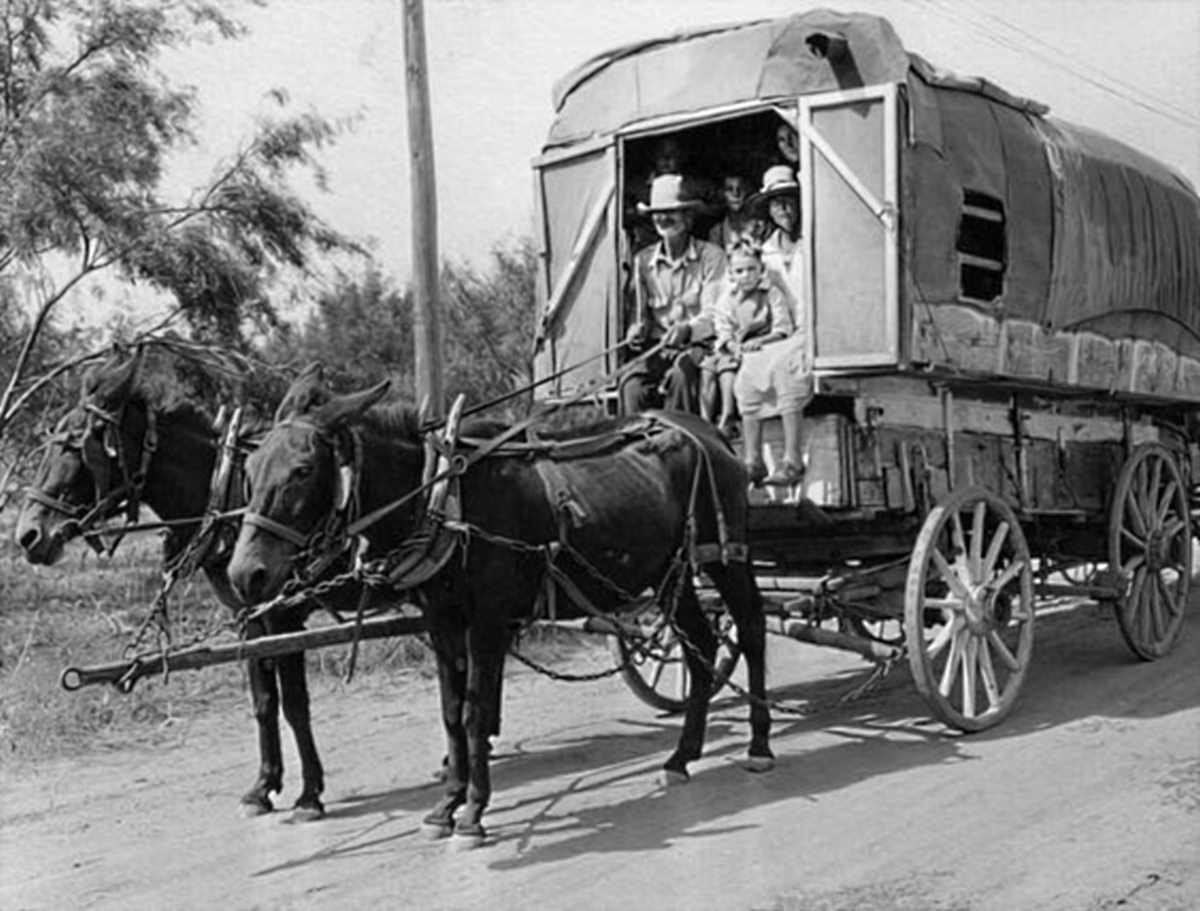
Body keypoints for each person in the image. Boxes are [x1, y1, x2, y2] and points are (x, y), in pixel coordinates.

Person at [706, 239, 810, 486]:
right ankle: (753, 459)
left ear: (761, 269)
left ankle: (792, 458)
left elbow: (782, 327)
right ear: (731, 274)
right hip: (748, 353)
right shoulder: (727, 300)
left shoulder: (771, 293)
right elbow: (723, 333)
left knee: (787, 371)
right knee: (745, 381)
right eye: (740, 271)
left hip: (775, 343)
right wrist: (734, 347)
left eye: (752, 269)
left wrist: (761, 341)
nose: (746, 275)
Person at [621, 174, 726, 415]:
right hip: (657, 349)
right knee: (631, 385)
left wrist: (688, 330)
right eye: (657, 212)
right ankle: (637, 447)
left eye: (671, 211)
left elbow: (715, 315)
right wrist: (635, 331)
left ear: (688, 217)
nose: (663, 218)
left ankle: (677, 445)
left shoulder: (712, 257)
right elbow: (639, 316)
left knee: (682, 374)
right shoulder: (643, 261)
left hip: (700, 347)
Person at [755, 164, 802, 281]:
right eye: (776, 203)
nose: (783, 208)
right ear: (769, 211)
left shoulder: (812, 243)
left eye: (788, 201)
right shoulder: (766, 251)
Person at [707, 173, 759, 250]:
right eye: (729, 189)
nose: (735, 194)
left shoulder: (760, 226)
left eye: (741, 188)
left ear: (748, 191)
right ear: (723, 194)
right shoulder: (717, 232)